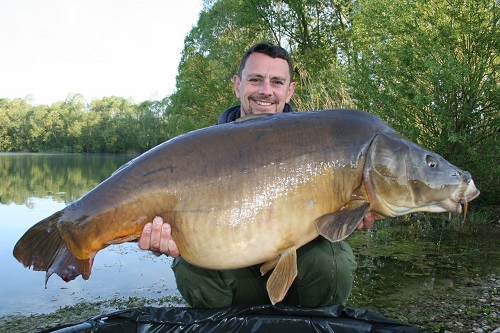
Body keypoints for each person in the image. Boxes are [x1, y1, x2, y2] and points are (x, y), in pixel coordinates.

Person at [139, 42, 375, 308]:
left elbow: (330, 216)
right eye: (255, 79)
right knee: (190, 267)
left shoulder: (317, 144)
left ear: (290, 91)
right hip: (232, 267)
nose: (266, 91)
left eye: (276, 82)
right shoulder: (204, 152)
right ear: (238, 85)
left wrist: (349, 216)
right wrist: (165, 235)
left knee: (334, 262)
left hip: (297, 265)